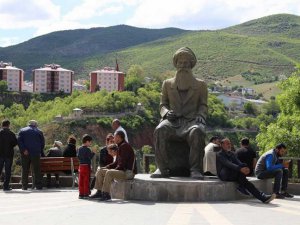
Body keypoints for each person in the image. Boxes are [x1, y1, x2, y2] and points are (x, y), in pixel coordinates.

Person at [152, 47, 208, 179]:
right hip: (172, 121)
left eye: (186, 63)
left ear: (191, 65)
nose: (183, 66)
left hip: (191, 121)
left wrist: (200, 115)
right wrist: (166, 113)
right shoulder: (167, 84)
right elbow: (163, 104)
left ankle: (195, 169)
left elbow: (203, 105)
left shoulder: (201, 85)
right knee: (160, 129)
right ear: (176, 64)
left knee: (197, 131)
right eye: (180, 63)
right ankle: (162, 168)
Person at [216, 138, 275, 203]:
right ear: (222, 145)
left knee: (246, 180)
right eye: (227, 144)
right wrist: (240, 169)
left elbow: (239, 162)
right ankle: (241, 186)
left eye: (229, 143)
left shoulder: (232, 154)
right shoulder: (219, 154)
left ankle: (263, 197)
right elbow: (228, 164)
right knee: (240, 173)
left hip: (233, 173)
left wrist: (246, 168)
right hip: (224, 175)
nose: (229, 145)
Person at [90, 130, 137, 201]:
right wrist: (106, 167)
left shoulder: (125, 146)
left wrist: (111, 170)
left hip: (128, 172)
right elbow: (116, 163)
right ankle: (99, 192)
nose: (113, 139)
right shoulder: (120, 146)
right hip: (122, 170)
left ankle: (106, 194)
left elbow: (122, 165)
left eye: (114, 137)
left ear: (118, 137)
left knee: (109, 172)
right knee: (101, 170)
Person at [18, 120, 45, 190]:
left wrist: (24, 150)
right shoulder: (39, 131)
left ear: (28, 124)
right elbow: (42, 143)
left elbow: (19, 141)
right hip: (36, 153)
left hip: (25, 153)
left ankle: (24, 186)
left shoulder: (22, 130)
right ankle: (38, 185)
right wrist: (39, 150)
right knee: (37, 169)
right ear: (35, 125)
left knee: (25, 169)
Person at [0, 119, 18, 191]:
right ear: (8, 125)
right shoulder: (12, 134)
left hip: (0, 154)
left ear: (2, 125)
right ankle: (6, 186)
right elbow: (15, 143)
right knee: (8, 171)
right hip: (9, 155)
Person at [77, 134, 95, 199]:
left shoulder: (79, 148)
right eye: (90, 142)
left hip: (81, 166)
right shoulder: (88, 149)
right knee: (86, 180)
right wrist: (93, 152)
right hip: (86, 166)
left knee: (81, 180)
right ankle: (86, 193)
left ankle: (81, 194)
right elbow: (89, 157)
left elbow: (78, 157)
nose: (90, 143)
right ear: (87, 141)